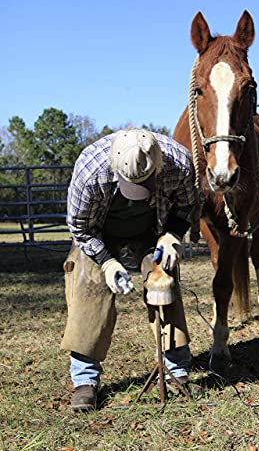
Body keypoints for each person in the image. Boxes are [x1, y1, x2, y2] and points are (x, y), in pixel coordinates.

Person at [61, 128, 202, 411]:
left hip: (153, 230)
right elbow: (80, 228)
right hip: (100, 232)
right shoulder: (90, 170)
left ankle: (177, 370)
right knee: (89, 287)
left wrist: (173, 235)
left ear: (158, 165)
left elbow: (188, 205)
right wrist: (107, 262)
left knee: (165, 282)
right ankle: (85, 381)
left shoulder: (178, 161)